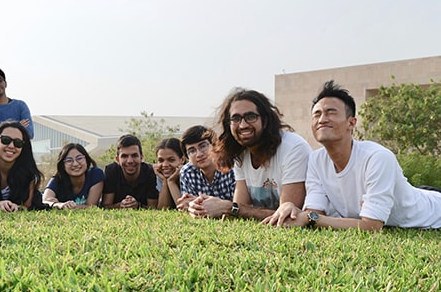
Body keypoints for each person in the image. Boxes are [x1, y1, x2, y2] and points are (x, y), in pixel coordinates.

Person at [264, 80, 441, 230]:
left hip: (434, 211)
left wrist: (312, 218)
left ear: (351, 122)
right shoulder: (316, 160)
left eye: (330, 112)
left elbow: (372, 226)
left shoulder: (377, 157)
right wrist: (290, 207)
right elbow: (314, 211)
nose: (322, 119)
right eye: (316, 114)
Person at [188, 88, 311, 220]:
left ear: (265, 120)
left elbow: (288, 217)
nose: (242, 125)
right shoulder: (240, 153)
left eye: (250, 117)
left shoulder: (293, 148)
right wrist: (203, 205)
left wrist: (228, 207)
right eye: (235, 118)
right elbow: (239, 210)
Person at [0, 120, 43, 211]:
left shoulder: (29, 171)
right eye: (5, 140)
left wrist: (16, 207)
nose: (11, 146)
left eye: (18, 143)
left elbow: (27, 205)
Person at [176, 125, 235, 210]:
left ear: (215, 146)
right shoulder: (187, 172)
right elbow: (191, 206)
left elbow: (240, 206)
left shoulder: (230, 167)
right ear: (187, 157)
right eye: (192, 151)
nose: (199, 154)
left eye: (203, 146)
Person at [102, 134, 158, 209]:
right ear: (117, 159)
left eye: (134, 155)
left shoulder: (150, 172)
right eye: (124, 156)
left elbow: (153, 208)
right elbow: (105, 206)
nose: (130, 161)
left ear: (141, 157)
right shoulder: (111, 171)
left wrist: (138, 206)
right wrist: (120, 205)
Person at [43, 143, 104, 209]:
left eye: (79, 158)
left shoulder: (95, 174)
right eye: (69, 160)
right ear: (63, 165)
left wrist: (69, 207)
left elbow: (91, 206)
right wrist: (60, 205)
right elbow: (45, 201)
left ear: (86, 160)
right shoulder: (57, 179)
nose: (75, 164)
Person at [154, 138, 184, 210]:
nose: (165, 165)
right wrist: (165, 182)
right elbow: (163, 209)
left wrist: (171, 182)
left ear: (182, 160)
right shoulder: (160, 175)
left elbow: (183, 207)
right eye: (161, 160)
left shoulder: (188, 174)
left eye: (171, 160)